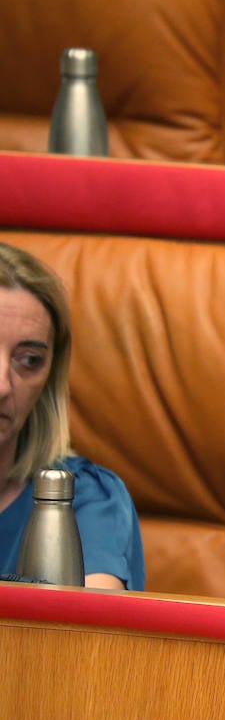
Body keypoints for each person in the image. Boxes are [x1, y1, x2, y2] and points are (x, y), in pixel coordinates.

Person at [0, 242, 144, 590]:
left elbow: (81, 638)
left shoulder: (82, 497)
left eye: (29, 360)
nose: (2, 386)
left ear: (49, 377)